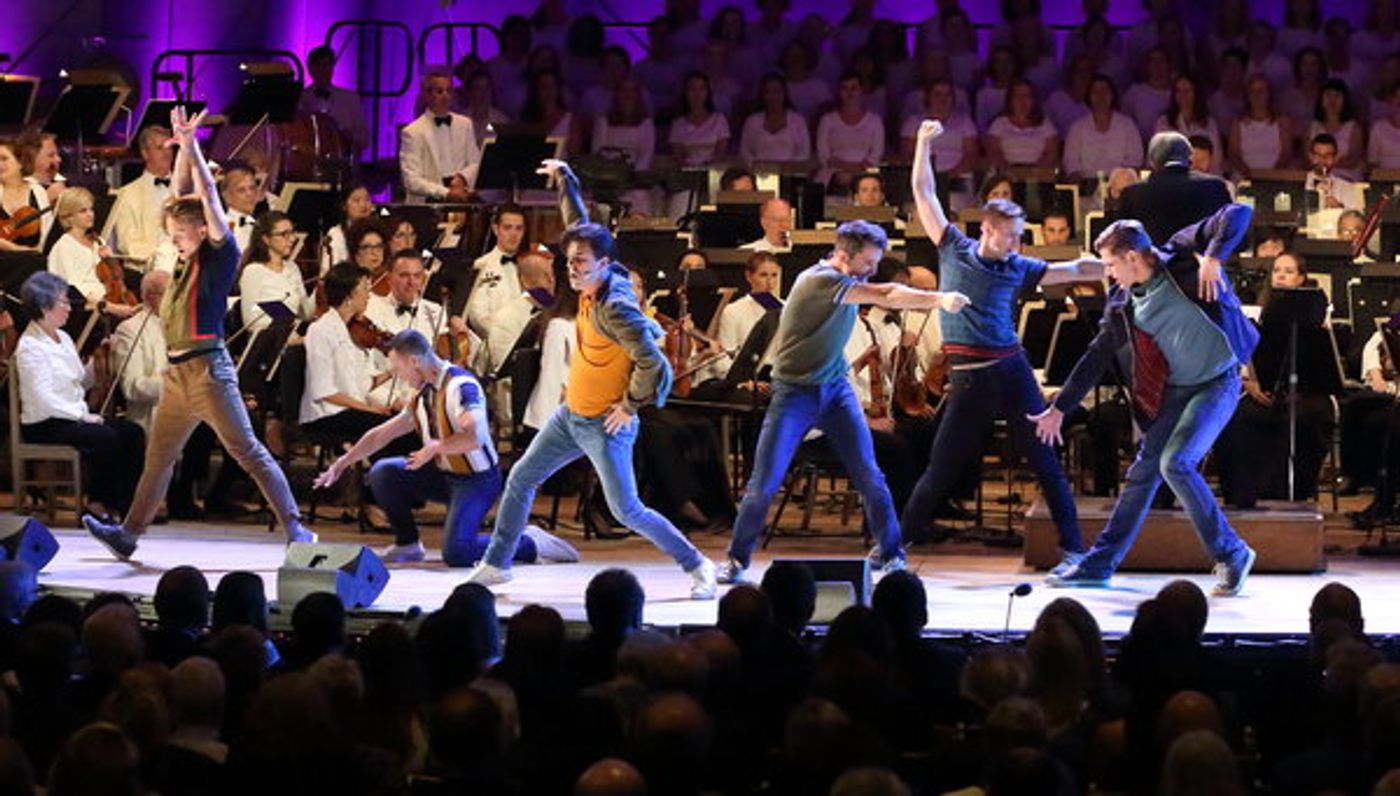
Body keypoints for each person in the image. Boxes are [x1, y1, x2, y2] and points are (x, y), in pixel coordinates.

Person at [464, 159, 717, 599]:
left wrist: (630, 405)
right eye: (568, 261)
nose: (571, 268)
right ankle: (497, 564)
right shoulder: (598, 271)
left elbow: (654, 363)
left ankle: (698, 565)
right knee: (521, 477)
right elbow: (578, 223)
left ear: (604, 263)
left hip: (605, 424)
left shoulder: (616, 307)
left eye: (580, 262)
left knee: (627, 510)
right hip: (571, 416)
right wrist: (566, 179)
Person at [83, 107, 315, 560]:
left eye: (179, 234)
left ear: (201, 230)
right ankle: (129, 535)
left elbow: (206, 196)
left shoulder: (219, 255)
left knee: (248, 451)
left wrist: (193, 146)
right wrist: (183, 153)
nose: (172, 240)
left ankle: (296, 530)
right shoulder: (184, 258)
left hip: (209, 372)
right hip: (176, 375)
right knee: (158, 459)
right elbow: (178, 196)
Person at [716, 218, 972, 585]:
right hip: (793, 394)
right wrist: (939, 299)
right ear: (843, 255)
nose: (872, 269)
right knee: (765, 482)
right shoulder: (819, 280)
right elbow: (887, 294)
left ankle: (891, 553)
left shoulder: (848, 280)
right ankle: (736, 559)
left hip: (835, 390)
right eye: (868, 262)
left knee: (870, 474)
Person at [899, 119, 1103, 573]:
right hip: (970, 379)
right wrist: (923, 144)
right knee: (941, 468)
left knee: (1045, 462)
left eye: (1020, 234)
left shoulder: (1018, 266)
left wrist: (1124, 262)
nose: (1017, 242)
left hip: (1012, 370)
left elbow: (1073, 270)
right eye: (1011, 234)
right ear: (987, 230)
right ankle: (893, 549)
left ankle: (1074, 551)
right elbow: (924, 193)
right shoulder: (953, 248)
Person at [1032, 208, 1260, 596]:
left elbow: (1238, 213)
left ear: (1133, 257)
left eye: (1110, 264)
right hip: (1175, 389)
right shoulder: (1121, 301)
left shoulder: (1180, 256)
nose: (1108, 273)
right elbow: (1096, 356)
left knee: (1177, 463)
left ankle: (1232, 553)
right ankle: (1098, 565)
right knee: (1143, 473)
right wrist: (1059, 408)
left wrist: (1214, 258)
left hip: (1218, 381)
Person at [314, 329, 577, 567]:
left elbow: (475, 437)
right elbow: (381, 435)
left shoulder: (462, 386)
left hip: (477, 481)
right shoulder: (423, 393)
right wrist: (343, 462)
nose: (397, 376)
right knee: (383, 472)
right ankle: (408, 543)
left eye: (397, 368)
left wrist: (436, 447)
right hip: (443, 476)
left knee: (457, 552)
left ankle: (528, 542)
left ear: (414, 362)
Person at [15, 271, 145, 521]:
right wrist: (83, 417)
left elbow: (79, 382)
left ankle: (127, 505)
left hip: (71, 417)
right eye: (63, 302)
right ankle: (97, 503)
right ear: (44, 306)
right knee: (104, 437)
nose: (69, 308)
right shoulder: (30, 346)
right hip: (45, 423)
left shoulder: (63, 338)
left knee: (132, 431)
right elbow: (43, 399)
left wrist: (100, 357)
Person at [300, 262, 401, 442]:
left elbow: (360, 385)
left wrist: (392, 371)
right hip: (326, 415)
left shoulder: (353, 333)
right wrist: (370, 410)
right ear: (348, 295)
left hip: (350, 411)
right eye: (364, 289)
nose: (369, 295)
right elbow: (324, 391)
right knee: (396, 433)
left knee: (404, 425)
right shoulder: (320, 330)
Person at [1115, 132, 1232, 246]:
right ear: (1189, 158)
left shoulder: (1132, 193)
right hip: (1201, 259)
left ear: (1152, 161)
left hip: (1152, 259)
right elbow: (1233, 233)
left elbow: (1119, 243)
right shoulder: (1215, 186)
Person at [47, 188, 137, 316]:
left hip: (110, 301)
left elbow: (116, 277)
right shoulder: (63, 247)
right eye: (83, 211)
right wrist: (111, 307)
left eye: (91, 209)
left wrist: (111, 260)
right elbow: (75, 291)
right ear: (69, 217)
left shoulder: (98, 241)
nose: (90, 214)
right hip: (89, 312)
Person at [101, 125, 176, 272]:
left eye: (169, 147)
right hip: (144, 272)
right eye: (159, 148)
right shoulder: (126, 194)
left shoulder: (186, 189)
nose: (167, 153)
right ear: (145, 153)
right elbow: (128, 244)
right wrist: (164, 257)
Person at [400, 71, 481, 204]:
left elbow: (475, 162)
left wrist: (462, 177)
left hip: (461, 198)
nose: (445, 96)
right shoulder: (413, 132)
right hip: (428, 203)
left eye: (449, 91)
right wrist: (445, 193)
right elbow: (411, 180)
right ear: (427, 95)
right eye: (439, 91)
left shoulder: (465, 124)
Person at [112, 271, 172, 433]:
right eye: (171, 293)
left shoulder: (185, 326)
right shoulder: (131, 329)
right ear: (150, 297)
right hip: (155, 413)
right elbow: (132, 387)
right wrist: (175, 384)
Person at [237, 211, 315, 335]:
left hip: (294, 338)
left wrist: (320, 289)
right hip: (268, 341)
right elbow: (250, 321)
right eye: (284, 234)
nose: (292, 239)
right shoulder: (253, 271)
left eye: (292, 232)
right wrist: (284, 328)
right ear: (266, 239)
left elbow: (306, 314)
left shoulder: (292, 268)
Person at [1062, 75, 1144, 182]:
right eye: (1095, 91)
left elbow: (1135, 159)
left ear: (1112, 95)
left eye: (1105, 90)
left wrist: (1121, 180)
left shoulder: (1127, 125)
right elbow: (1071, 162)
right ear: (1089, 96)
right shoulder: (1077, 128)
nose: (1101, 95)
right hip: (1087, 183)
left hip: (1120, 184)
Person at [464, 204, 527, 340]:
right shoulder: (481, 265)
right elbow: (477, 316)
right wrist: (506, 336)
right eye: (507, 228)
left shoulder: (530, 265)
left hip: (528, 342)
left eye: (519, 228)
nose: (514, 234)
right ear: (495, 229)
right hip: (495, 343)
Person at [816, 72, 885, 190]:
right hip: (832, 175)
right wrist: (843, 168)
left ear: (861, 90)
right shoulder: (827, 120)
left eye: (854, 88)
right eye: (845, 88)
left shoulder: (874, 121)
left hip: (866, 175)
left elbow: (876, 154)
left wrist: (856, 171)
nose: (849, 93)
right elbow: (824, 154)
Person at [299, 46, 369, 154]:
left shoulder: (349, 99)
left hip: (343, 158)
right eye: (319, 66)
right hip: (310, 159)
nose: (323, 70)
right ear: (310, 69)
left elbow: (364, 140)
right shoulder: (301, 98)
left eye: (327, 65)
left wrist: (348, 136)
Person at [739, 74, 812, 166]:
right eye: (767, 92)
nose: (772, 96)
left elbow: (804, 152)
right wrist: (758, 165)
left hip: (791, 172)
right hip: (759, 172)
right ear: (762, 95)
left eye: (777, 91)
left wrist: (788, 167)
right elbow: (745, 151)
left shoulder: (798, 121)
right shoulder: (752, 121)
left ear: (785, 94)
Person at [0, 138, 51, 253]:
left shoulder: (38, 191)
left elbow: (47, 233)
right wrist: (16, 249)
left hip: (34, 258)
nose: (0, 164)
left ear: (20, 163)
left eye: (4, 159)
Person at [320, 184, 373, 274]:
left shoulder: (376, 232)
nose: (363, 205)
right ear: (344, 206)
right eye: (356, 200)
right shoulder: (336, 234)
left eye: (367, 199)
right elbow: (329, 272)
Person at [219, 165, 261, 253]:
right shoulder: (226, 230)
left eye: (252, 188)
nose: (249, 194)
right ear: (227, 197)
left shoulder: (258, 223)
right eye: (241, 190)